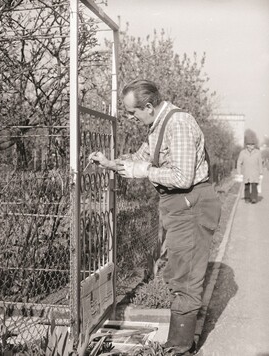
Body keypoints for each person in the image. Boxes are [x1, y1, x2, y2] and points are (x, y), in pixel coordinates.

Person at [89, 79, 221, 356]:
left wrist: (143, 171)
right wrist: (111, 163)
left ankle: (180, 347)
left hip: (191, 204)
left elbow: (182, 177)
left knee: (185, 278)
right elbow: (140, 157)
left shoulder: (179, 124)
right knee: (178, 273)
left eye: (132, 112)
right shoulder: (158, 125)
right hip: (179, 205)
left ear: (148, 106)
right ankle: (180, 342)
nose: (130, 117)